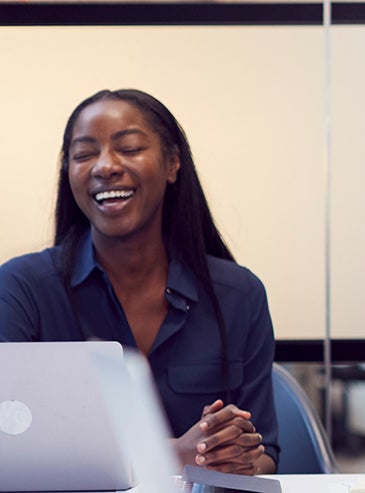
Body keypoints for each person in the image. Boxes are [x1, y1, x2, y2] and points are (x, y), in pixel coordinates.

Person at [0, 89, 278, 475]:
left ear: (172, 164)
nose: (105, 166)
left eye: (128, 148)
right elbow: (10, 446)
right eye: (84, 154)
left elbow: (265, 452)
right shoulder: (22, 288)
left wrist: (237, 456)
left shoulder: (239, 294)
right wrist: (177, 454)